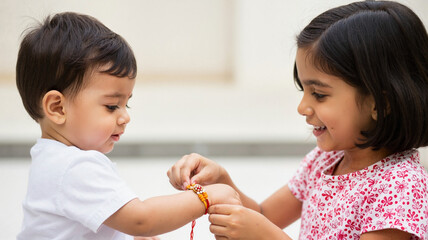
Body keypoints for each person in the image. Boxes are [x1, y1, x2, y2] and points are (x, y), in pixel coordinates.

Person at [168, 1, 428, 239]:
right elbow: (265, 216)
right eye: (302, 90)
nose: (303, 107)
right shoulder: (325, 161)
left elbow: (265, 229)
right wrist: (222, 181)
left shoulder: (401, 188)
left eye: (319, 94)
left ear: (381, 104)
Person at [16, 12, 241, 240]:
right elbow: (141, 220)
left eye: (127, 104)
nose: (125, 117)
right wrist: (206, 196)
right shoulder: (75, 167)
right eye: (112, 106)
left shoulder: (52, 158)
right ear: (57, 108)